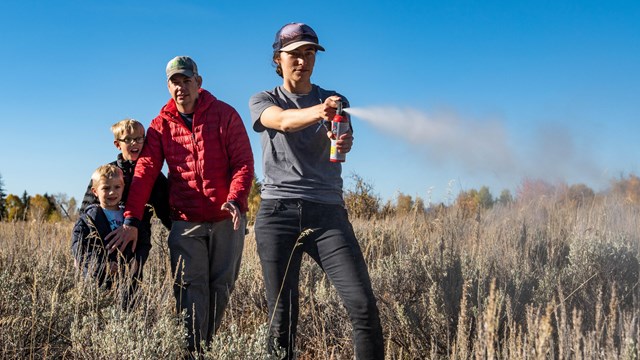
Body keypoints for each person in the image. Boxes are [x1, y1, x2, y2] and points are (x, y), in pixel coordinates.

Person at [248, 23, 384, 359]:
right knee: (282, 319)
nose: (302, 61)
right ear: (278, 59)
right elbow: (280, 121)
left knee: (362, 305)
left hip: (328, 214)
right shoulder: (264, 99)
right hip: (277, 214)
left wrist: (344, 140)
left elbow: (341, 146)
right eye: (294, 54)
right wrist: (317, 112)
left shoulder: (335, 101)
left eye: (309, 53)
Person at [106, 56, 254, 353]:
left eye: (186, 80)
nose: (181, 87)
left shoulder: (225, 115)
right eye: (175, 82)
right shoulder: (161, 126)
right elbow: (145, 173)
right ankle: (193, 352)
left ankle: (207, 348)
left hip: (226, 219)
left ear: (198, 83)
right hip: (185, 221)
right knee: (189, 288)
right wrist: (131, 220)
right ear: (168, 86)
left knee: (221, 287)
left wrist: (236, 199)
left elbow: (243, 163)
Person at [79, 119, 172, 286]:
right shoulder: (107, 173)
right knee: (101, 284)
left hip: (136, 244)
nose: (134, 143)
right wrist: (80, 250)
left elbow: (166, 211)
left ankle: (129, 310)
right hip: (105, 240)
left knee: (131, 285)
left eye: (139, 138)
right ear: (117, 144)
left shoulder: (154, 176)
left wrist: (178, 232)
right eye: (128, 139)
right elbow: (86, 211)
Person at [72, 164, 131, 288]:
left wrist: (133, 264)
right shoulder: (87, 219)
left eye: (117, 187)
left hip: (125, 279)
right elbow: (79, 248)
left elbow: (140, 242)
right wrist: (102, 265)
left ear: (123, 187)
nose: (112, 192)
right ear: (95, 191)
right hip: (97, 280)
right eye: (105, 188)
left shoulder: (128, 217)